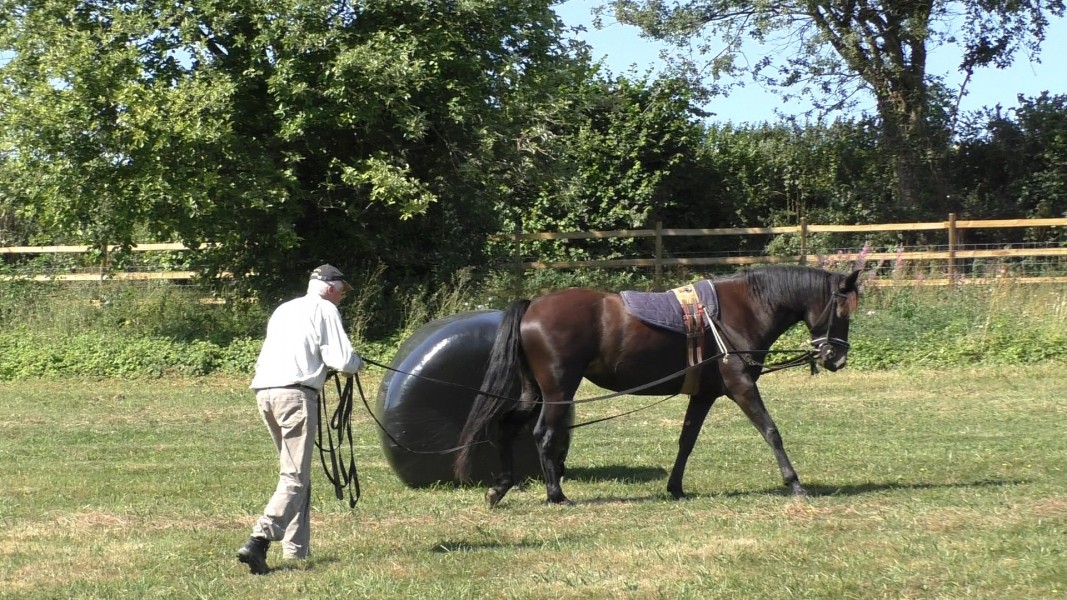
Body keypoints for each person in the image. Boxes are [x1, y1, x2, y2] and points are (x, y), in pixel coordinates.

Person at [237, 263, 364, 575]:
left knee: (296, 474)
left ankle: (296, 551)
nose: (342, 298)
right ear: (332, 287)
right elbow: (341, 360)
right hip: (295, 396)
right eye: (342, 292)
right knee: (294, 476)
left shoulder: (285, 309)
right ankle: (259, 540)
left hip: (265, 393)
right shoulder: (325, 309)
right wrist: (356, 363)